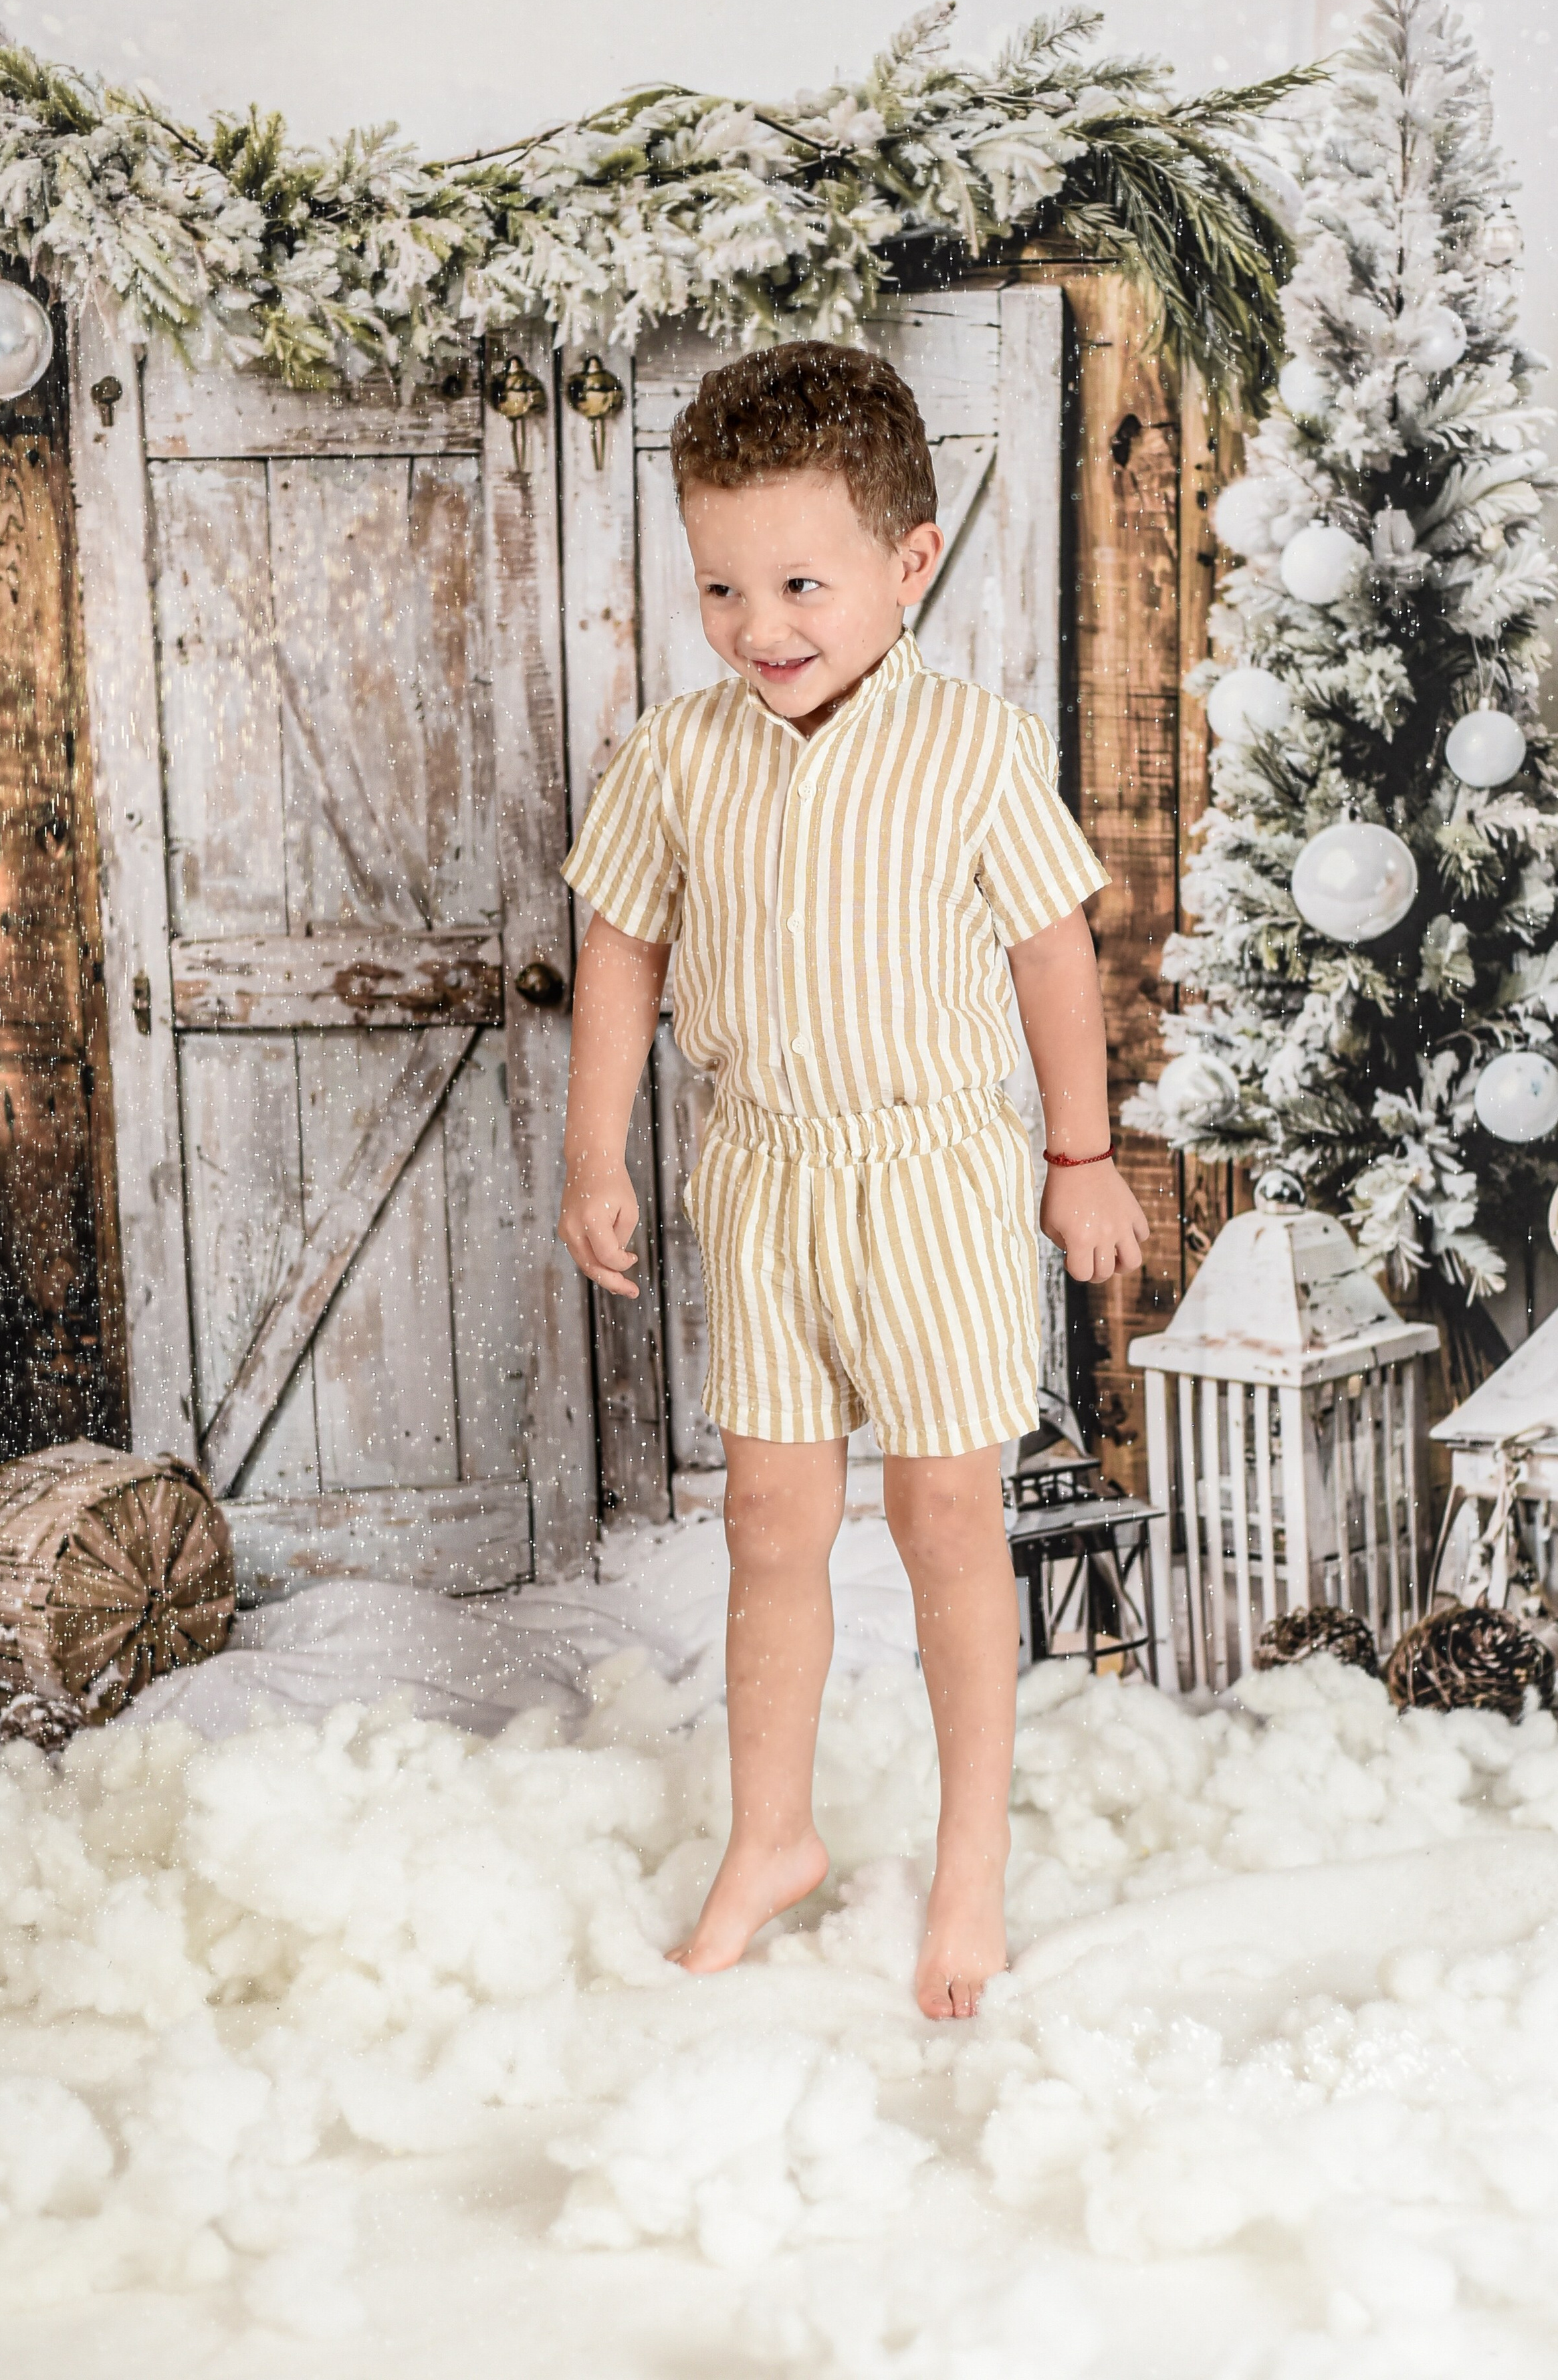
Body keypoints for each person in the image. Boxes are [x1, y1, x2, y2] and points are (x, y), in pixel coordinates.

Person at [558, 340, 1148, 2018]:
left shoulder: (974, 746)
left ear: (910, 561)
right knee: (769, 1518)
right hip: (764, 1177)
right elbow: (623, 946)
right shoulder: (679, 754)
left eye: (800, 584)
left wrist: (1080, 1155)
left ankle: (970, 1858)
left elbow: (1051, 955)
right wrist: (594, 1149)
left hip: (929, 1176)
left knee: (943, 1511)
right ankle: (771, 1833)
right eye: (721, 586)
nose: (758, 625)